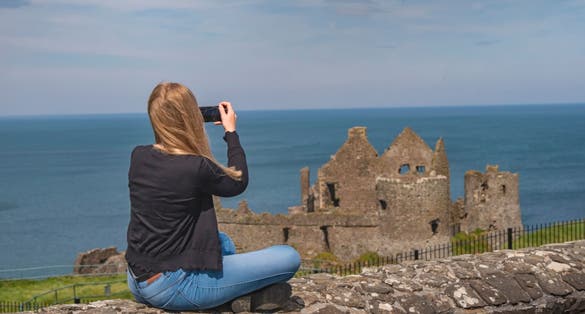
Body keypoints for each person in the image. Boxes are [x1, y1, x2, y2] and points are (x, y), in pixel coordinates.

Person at [125, 82, 301, 311]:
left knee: (222, 241)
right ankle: (227, 292)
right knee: (288, 257)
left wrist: (183, 115)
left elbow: (171, 125)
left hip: (137, 279)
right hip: (174, 287)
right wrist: (230, 132)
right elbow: (237, 182)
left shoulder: (139, 155)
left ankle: (224, 288)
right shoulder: (195, 166)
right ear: (188, 117)